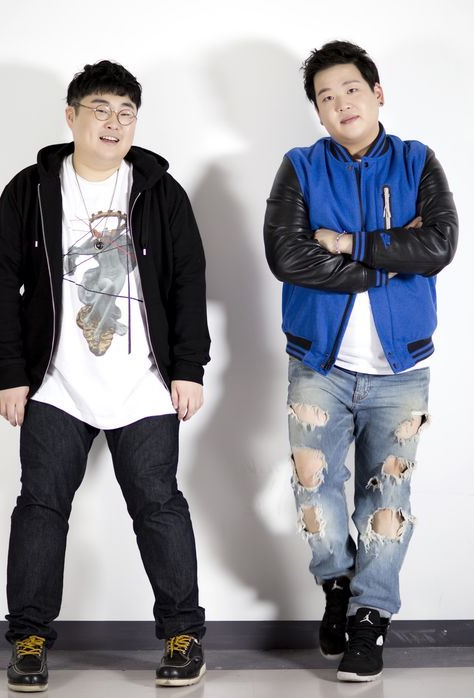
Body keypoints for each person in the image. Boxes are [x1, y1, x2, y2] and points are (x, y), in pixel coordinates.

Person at [0, 60, 210, 691]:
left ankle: (183, 634)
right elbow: (1, 280)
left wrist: (188, 368)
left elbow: (189, 281)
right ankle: (29, 639)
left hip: (146, 383)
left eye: (126, 113)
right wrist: (9, 371)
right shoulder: (30, 189)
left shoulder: (160, 191)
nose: (114, 123)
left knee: (159, 506)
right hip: (55, 382)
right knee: (40, 508)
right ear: (71, 115)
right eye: (101, 109)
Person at [264, 40, 457, 682]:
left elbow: (439, 244)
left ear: (377, 94)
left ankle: (370, 619)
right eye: (326, 97)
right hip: (318, 364)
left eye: (351, 89)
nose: (341, 103)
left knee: (387, 497)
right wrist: (387, 262)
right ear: (318, 112)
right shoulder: (300, 167)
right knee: (313, 493)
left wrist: (348, 244)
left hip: (400, 370)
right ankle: (337, 585)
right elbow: (287, 257)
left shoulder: (416, 160)